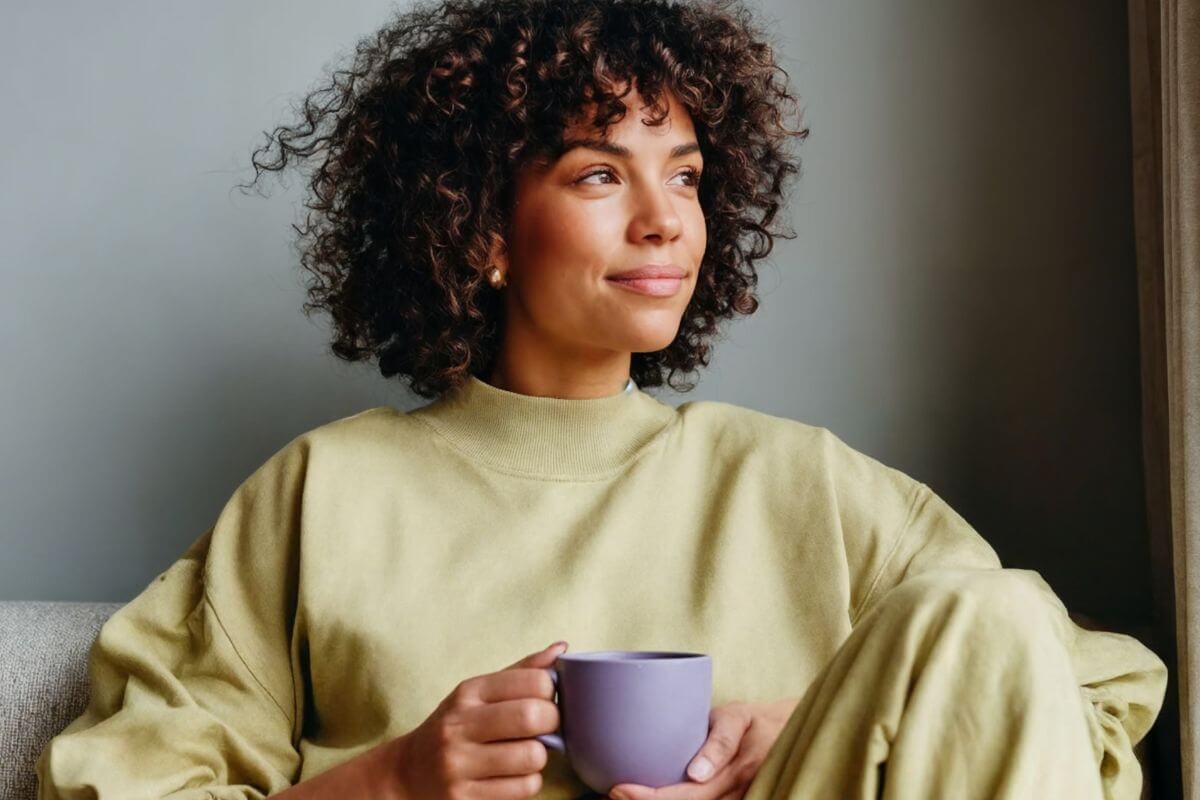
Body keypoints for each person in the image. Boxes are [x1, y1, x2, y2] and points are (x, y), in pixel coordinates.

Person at [35, 0, 1167, 798]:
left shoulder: (800, 483)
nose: (666, 218)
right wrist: (396, 778)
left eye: (683, 173)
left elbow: (1087, 689)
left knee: (989, 611)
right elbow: (121, 786)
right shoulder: (322, 494)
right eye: (597, 173)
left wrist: (805, 733)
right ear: (479, 229)